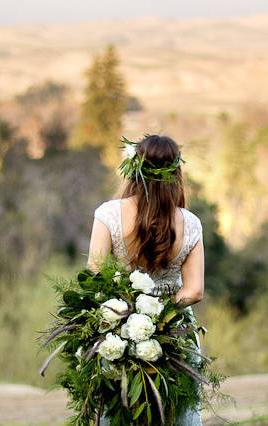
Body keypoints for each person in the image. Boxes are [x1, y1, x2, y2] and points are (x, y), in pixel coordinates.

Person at [87, 134, 204, 425]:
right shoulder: (190, 223)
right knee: (177, 409)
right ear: (176, 172)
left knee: (119, 411)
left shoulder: (108, 214)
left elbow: (94, 276)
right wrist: (160, 315)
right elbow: (195, 290)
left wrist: (133, 314)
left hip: (120, 328)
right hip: (176, 333)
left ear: (133, 168)